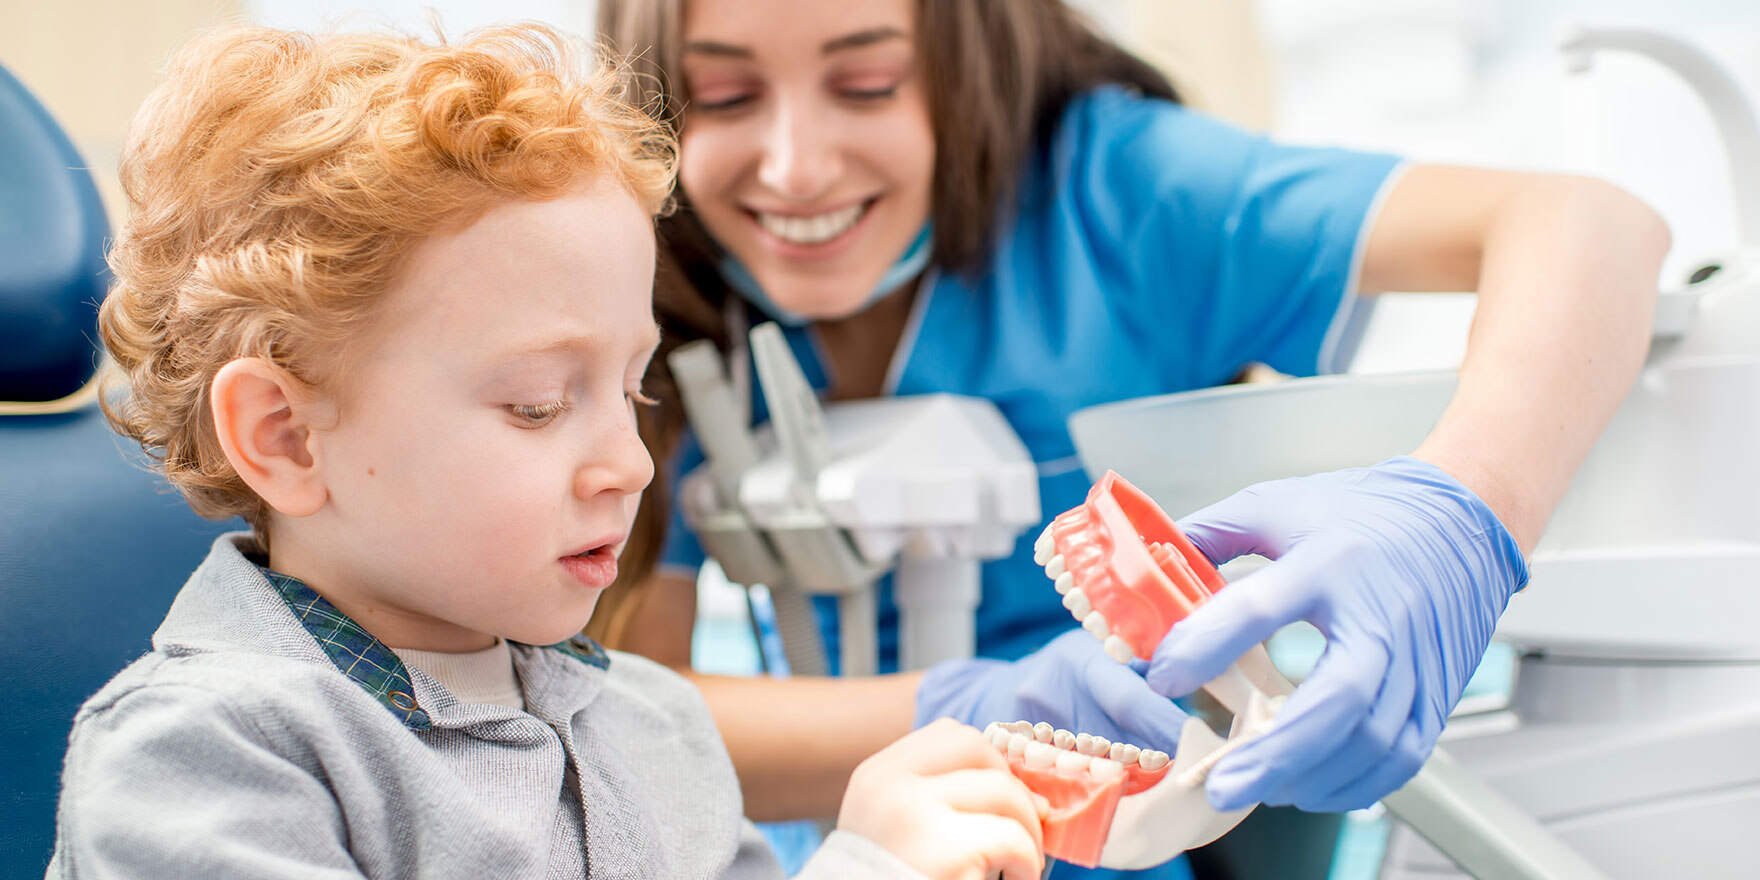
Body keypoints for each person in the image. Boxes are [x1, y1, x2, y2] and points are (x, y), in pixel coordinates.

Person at [592, 0, 1671, 877]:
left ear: (965, 59)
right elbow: (619, 708)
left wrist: (1459, 512)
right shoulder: (652, 283)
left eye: (866, 81)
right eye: (723, 94)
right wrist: (968, 714)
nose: (793, 167)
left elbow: (1590, 225)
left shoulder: (1118, 194)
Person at [48, 23, 1051, 880]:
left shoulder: (649, 723)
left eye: (632, 389)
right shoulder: (205, 760)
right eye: (536, 405)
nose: (630, 463)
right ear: (284, 435)